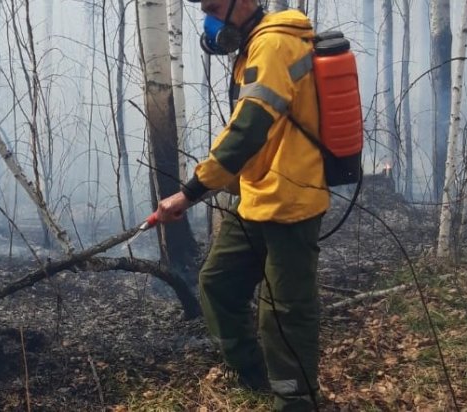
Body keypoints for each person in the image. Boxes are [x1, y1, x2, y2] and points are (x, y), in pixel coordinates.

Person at [154, 0, 328, 411]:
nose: (210, 21)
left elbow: (248, 130)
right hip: (258, 195)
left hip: (291, 201)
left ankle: (296, 402)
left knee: (284, 314)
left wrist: (191, 191)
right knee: (218, 283)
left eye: (215, 8)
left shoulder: (274, 45)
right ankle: (255, 378)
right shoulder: (254, 46)